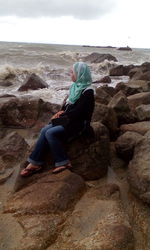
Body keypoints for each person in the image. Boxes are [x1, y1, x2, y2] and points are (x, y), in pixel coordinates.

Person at [20, 62, 95, 176]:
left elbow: (79, 112)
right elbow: (68, 106)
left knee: (51, 133)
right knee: (44, 129)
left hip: (79, 124)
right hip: (69, 120)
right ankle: (36, 163)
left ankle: (63, 162)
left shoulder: (88, 91)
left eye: (73, 73)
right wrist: (60, 112)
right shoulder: (74, 87)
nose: (71, 75)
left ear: (81, 74)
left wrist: (62, 115)